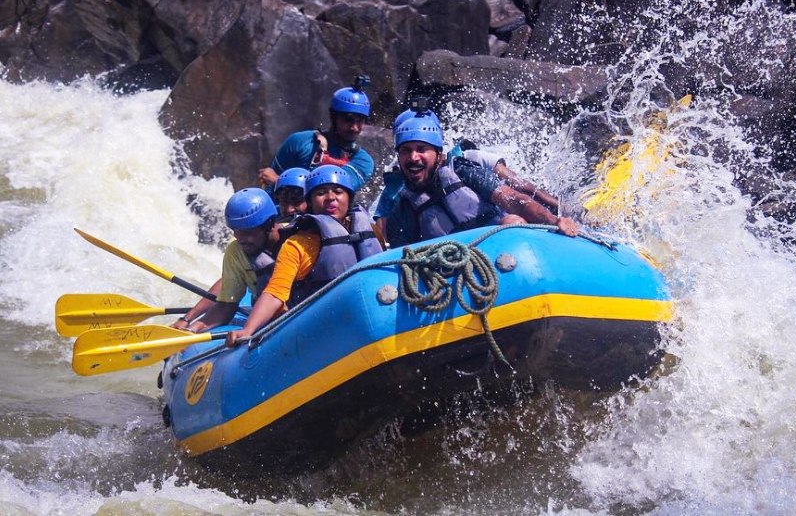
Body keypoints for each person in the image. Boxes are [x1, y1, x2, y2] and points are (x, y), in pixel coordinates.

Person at [226, 165, 384, 345]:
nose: (330, 198)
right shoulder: (296, 245)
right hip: (321, 330)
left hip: (370, 315)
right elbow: (275, 292)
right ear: (310, 201)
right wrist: (248, 330)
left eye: (338, 192)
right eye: (321, 193)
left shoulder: (370, 231)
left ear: (349, 198)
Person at [385, 115, 580, 247]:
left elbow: (513, 199)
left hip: (498, 245)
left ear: (437, 154)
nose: (413, 157)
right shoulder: (401, 208)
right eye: (405, 151)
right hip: (452, 265)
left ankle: (572, 212)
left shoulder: (462, 169)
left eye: (421, 149)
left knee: (512, 220)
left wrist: (554, 221)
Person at [174, 188, 280, 332]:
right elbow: (227, 305)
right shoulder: (236, 251)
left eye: (247, 232)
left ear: (269, 225)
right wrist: (192, 329)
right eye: (236, 231)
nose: (240, 239)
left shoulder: (294, 243)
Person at [257, 76, 375, 193]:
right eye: (348, 119)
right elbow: (268, 186)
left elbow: (330, 193)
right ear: (333, 117)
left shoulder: (363, 161)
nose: (354, 127)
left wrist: (279, 182)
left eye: (360, 121)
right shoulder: (300, 141)